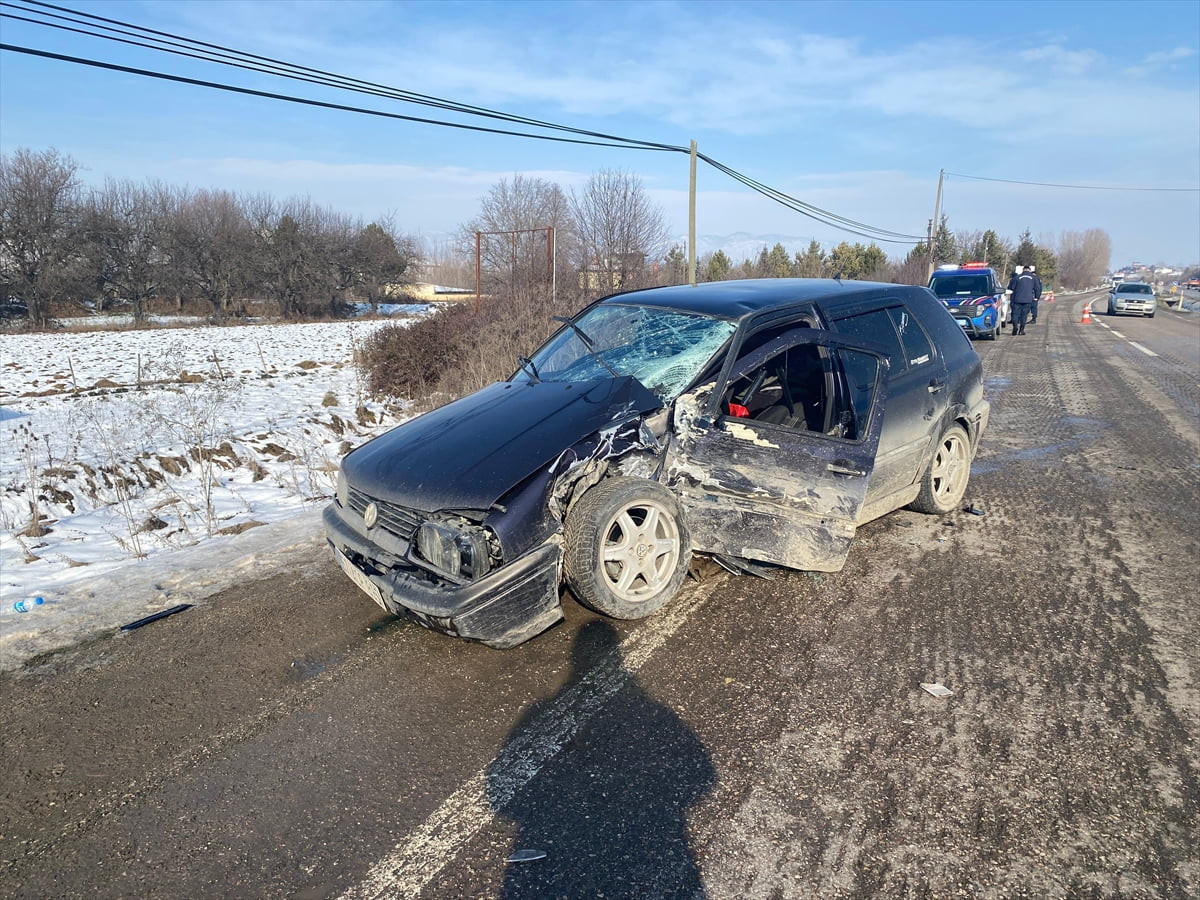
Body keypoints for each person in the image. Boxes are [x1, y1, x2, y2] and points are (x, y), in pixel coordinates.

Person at [1007, 265, 1037, 335]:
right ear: (1029, 270)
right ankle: (1022, 330)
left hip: (1016, 299)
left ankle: (1015, 327)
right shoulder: (1033, 278)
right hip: (1027, 300)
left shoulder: (1016, 278)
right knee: (1024, 315)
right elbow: (1037, 288)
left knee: (1015, 314)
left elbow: (1011, 288)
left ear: (1023, 270)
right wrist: (1036, 297)